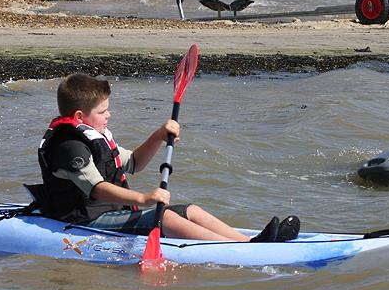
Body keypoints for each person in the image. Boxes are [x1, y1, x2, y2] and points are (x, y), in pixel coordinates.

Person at [35, 73, 300, 242]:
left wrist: (160, 135)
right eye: (103, 111)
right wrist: (144, 198)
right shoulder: (69, 147)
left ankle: (248, 243)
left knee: (189, 210)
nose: (109, 115)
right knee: (168, 218)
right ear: (80, 116)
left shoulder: (94, 136)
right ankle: (243, 251)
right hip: (85, 221)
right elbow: (97, 189)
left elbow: (133, 163)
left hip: (108, 213)